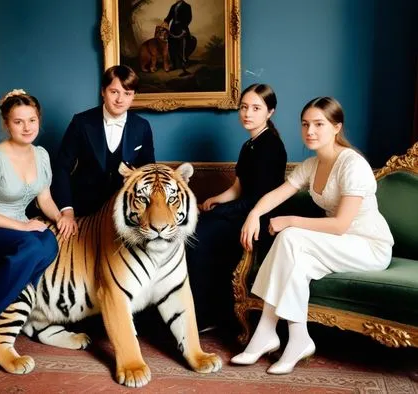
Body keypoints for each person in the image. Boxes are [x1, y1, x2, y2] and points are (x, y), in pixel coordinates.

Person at [231, 97, 394, 374]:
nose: (310, 131)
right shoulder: (311, 164)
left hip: (368, 246)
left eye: (319, 124)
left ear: (336, 127)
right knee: (296, 263)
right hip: (335, 245)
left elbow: (342, 224)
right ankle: (295, 338)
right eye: (305, 124)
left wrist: (291, 220)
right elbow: (278, 194)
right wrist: (254, 214)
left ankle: (268, 333)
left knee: (291, 236)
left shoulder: (352, 165)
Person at [0, 89, 69, 368]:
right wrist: (24, 226)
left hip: (17, 228)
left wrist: (60, 217)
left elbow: (44, 199)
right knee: (34, 244)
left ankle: (11, 305)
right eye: (18, 121)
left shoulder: (41, 155)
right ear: (6, 124)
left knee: (49, 243)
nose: (26, 127)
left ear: (39, 120)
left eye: (31, 120)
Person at [186, 84, 287, 332]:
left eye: (255, 108)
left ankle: (207, 315)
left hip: (258, 216)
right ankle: (196, 311)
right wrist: (215, 200)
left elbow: (259, 198)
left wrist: (222, 211)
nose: (247, 113)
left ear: (270, 112)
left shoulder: (271, 146)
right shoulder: (249, 145)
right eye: (243, 107)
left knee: (200, 236)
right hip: (242, 207)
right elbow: (237, 188)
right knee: (197, 226)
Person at [52, 65, 155, 229]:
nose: (120, 99)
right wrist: (67, 211)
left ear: (134, 95)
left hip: (124, 212)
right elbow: (61, 168)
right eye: (114, 92)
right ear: (103, 91)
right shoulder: (81, 122)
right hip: (82, 209)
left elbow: (149, 172)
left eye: (127, 93)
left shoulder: (142, 126)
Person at [164, 0, 194, 75]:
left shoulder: (187, 6)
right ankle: (173, 64)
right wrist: (165, 22)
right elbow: (169, 17)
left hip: (182, 27)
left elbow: (189, 18)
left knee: (183, 46)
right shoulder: (173, 6)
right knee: (172, 45)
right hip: (173, 28)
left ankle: (184, 63)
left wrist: (184, 28)